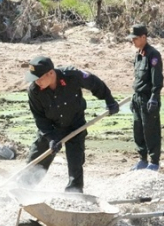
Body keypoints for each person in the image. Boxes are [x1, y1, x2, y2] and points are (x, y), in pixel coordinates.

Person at [24, 56, 120, 193]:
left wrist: (109, 100)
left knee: (76, 162)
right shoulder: (34, 91)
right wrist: (51, 138)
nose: (36, 82)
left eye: (39, 78)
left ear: (50, 73)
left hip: (75, 125)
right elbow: (40, 118)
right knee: (37, 159)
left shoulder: (72, 75)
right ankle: (23, 189)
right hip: (51, 128)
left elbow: (94, 83)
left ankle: (74, 193)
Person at [129, 24, 164, 171]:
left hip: (148, 99)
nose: (133, 42)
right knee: (138, 129)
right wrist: (133, 98)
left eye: (135, 39)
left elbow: (157, 79)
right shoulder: (138, 55)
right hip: (138, 98)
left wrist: (154, 98)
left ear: (144, 37)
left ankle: (154, 161)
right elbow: (137, 79)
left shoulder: (153, 55)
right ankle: (142, 159)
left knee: (151, 130)